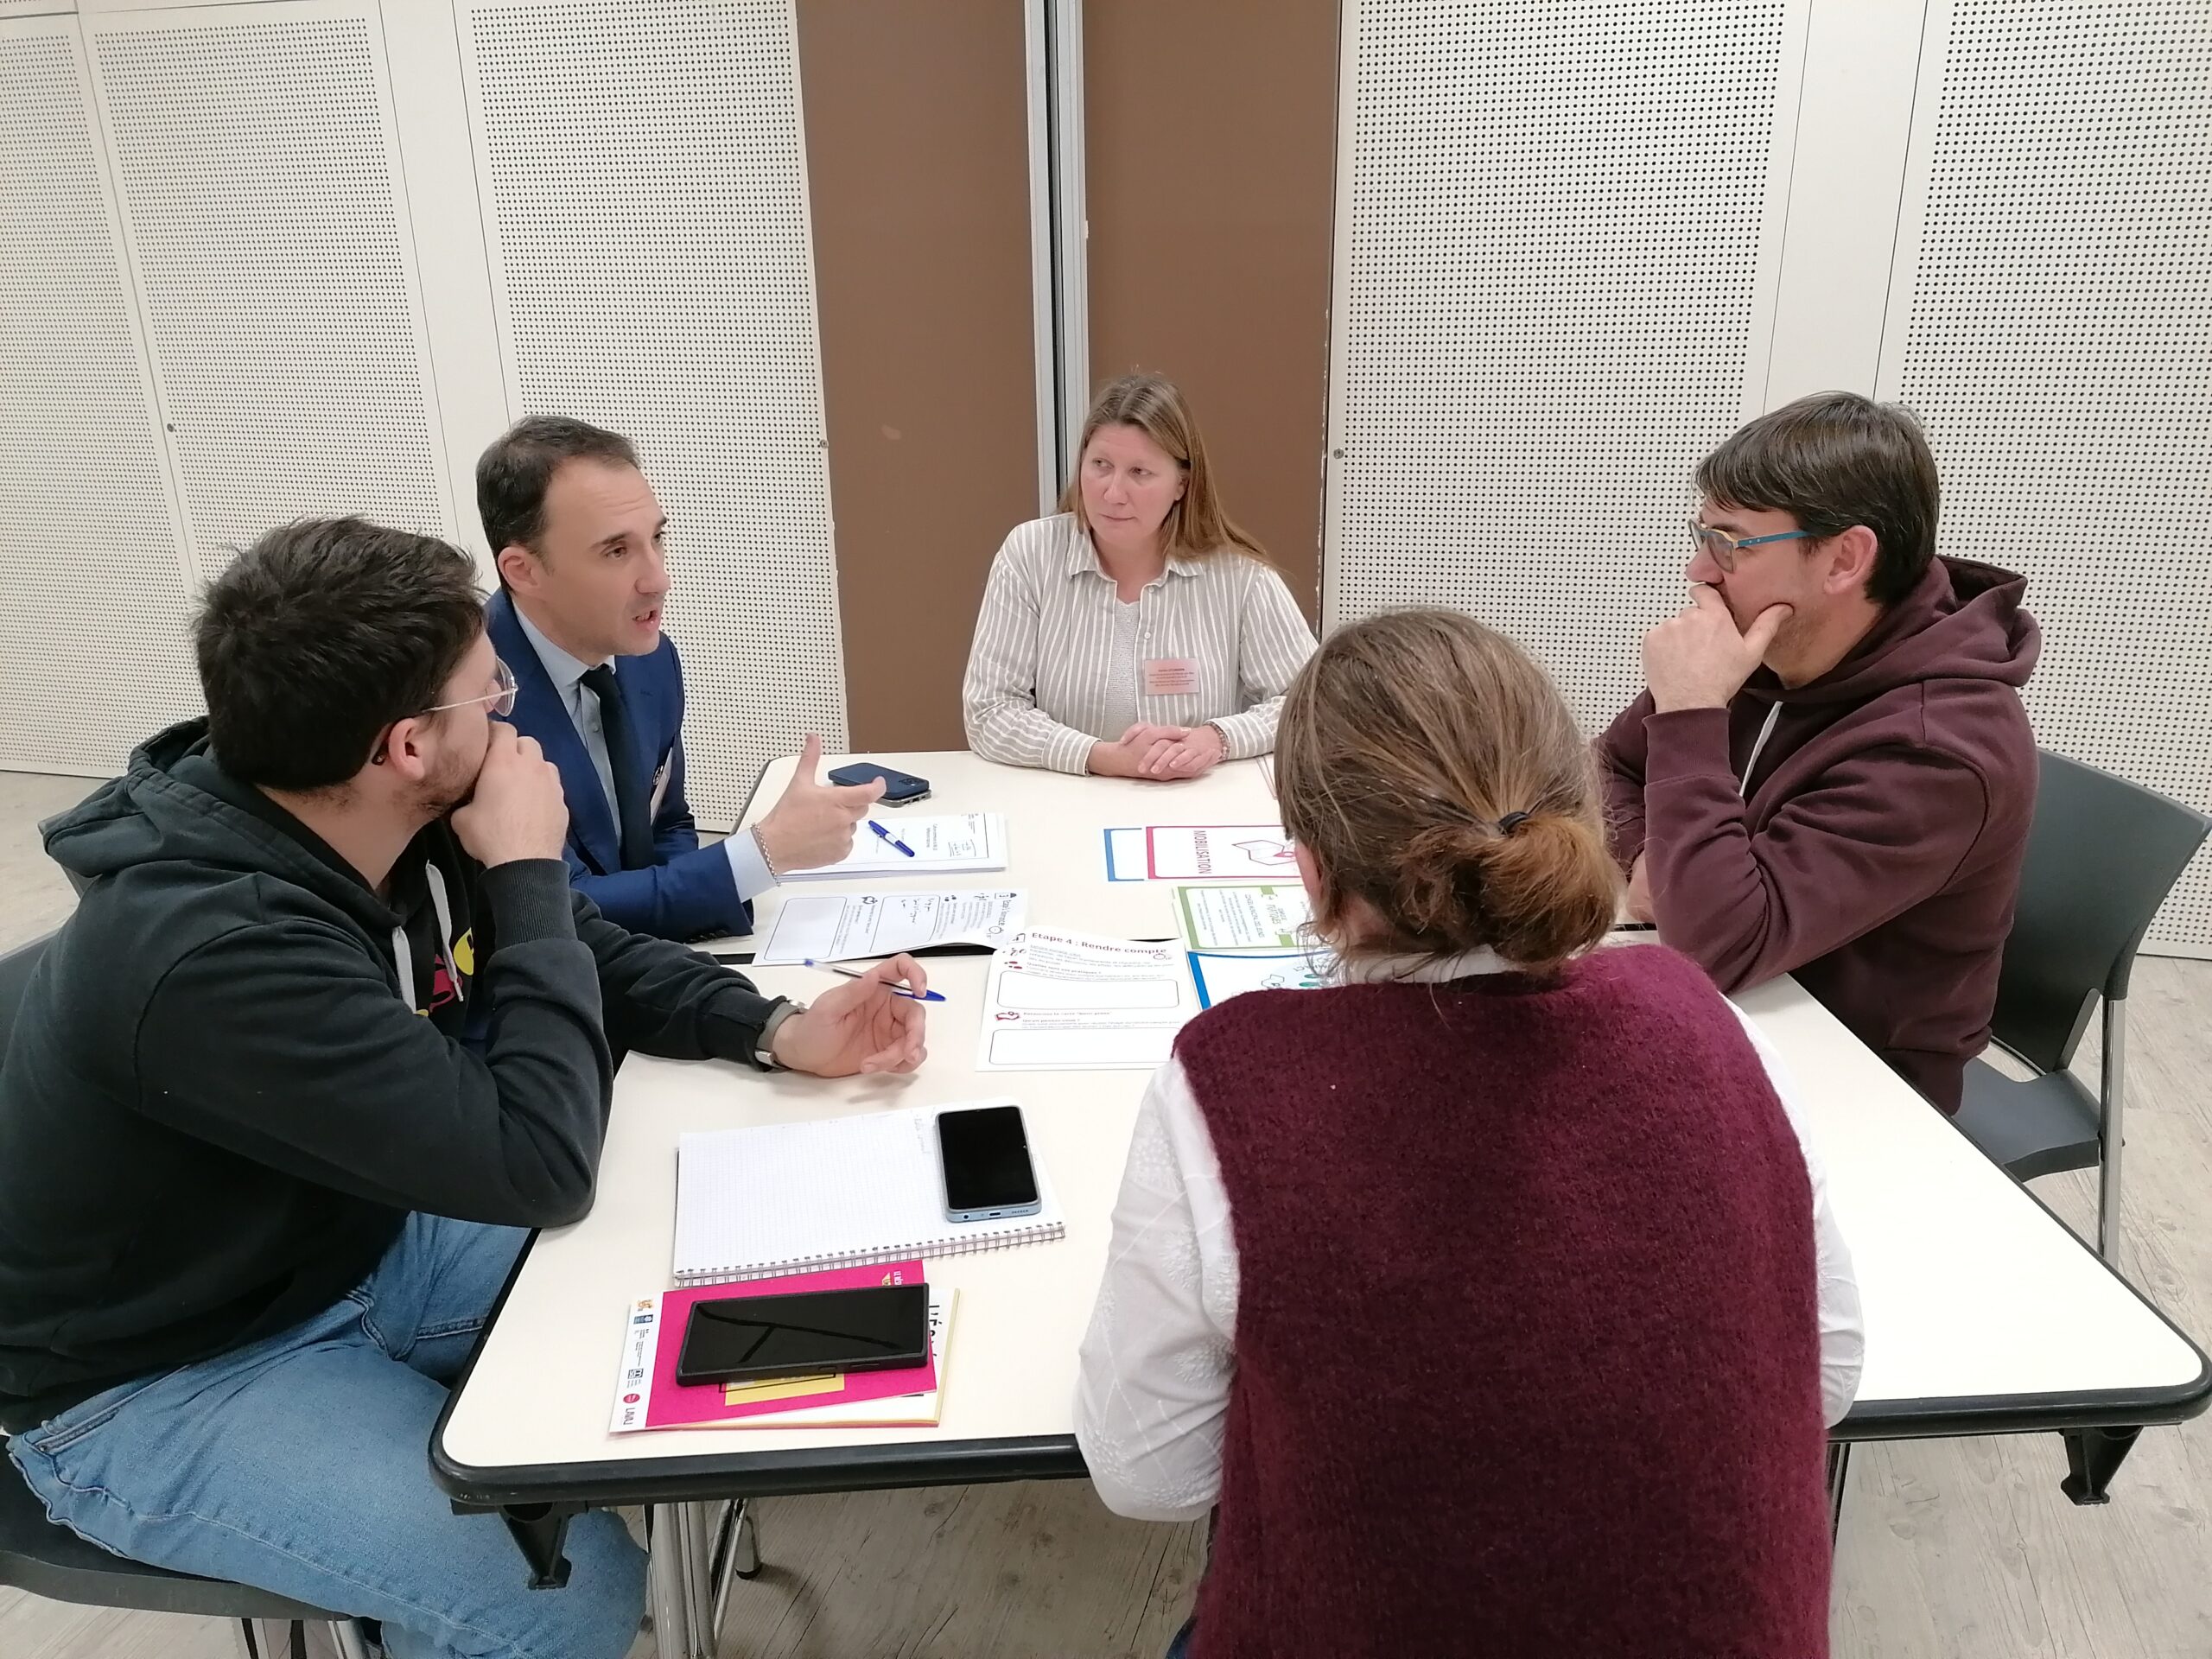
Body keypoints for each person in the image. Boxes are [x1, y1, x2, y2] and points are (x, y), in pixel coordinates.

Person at [0, 518, 929, 1659]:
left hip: (348, 1238)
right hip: (161, 1375)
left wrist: (777, 1028)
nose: (511, 716)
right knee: (563, 1595)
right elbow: (536, 1167)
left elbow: (584, 951)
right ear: (405, 746)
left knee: (717, 1246)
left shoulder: (372, 807)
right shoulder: (212, 954)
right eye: (490, 694)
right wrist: (527, 863)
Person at [1077, 609, 1861, 1658]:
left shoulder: (1228, 1078)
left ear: (1310, 869)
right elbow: (1827, 1376)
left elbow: (1147, 1474)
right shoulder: (1704, 1018)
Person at [1598, 392, 2038, 1112]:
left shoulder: (1940, 748)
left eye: (1730, 544)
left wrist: (1691, 712)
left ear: (1844, 559)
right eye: (1702, 535)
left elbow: (1715, 946)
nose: (1698, 570)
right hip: (1740, 998)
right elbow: (1607, 767)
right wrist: (1656, 860)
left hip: (1860, 1080)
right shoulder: (1766, 648)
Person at [480, 414, 880, 940]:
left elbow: (666, 824)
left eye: (657, 538)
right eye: (616, 551)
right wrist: (760, 856)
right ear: (524, 571)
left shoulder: (649, 658)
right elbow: (555, 908)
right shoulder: (473, 707)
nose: (659, 579)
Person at [963, 372, 1317, 779]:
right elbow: (989, 711)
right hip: (1064, 799)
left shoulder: (1240, 577)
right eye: (1100, 465)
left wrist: (1217, 738)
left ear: (1182, 484)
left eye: (1140, 472)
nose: (1113, 493)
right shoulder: (1031, 555)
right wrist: (1102, 757)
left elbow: (1309, 705)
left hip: (1194, 801)